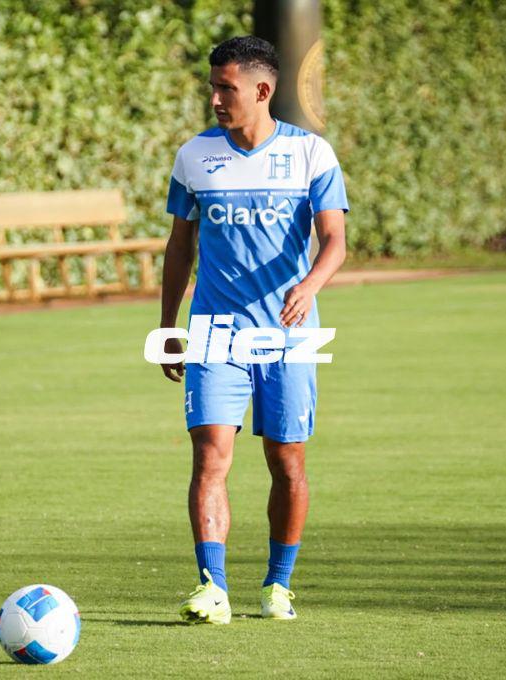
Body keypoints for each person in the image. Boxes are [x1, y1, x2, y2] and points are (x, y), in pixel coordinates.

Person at [160, 36, 348, 624]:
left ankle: (278, 584)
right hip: (215, 331)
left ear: (262, 90)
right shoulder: (194, 156)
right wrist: (169, 325)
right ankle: (211, 586)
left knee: (286, 462)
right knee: (210, 456)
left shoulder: (312, 154)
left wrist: (309, 285)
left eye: (226, 88)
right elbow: (179, 246)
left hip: (289, 336)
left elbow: (335, 241)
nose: (215, 97)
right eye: (213, 86)